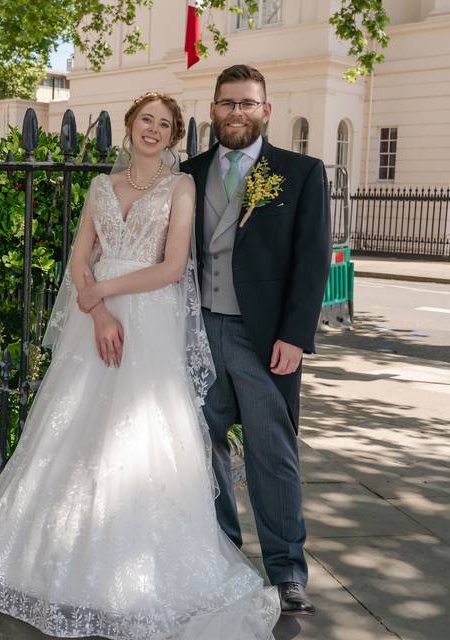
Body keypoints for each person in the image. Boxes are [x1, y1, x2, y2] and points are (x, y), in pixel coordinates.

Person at [0, 91, 280, 639]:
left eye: (164, 124)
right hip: (96, 322)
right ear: (129, 126)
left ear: (174, 136)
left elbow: (173, 267)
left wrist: (105, 289)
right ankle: (45, 563)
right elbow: (80, 257)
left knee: (139, 434)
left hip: (150, 320)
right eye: (145, 120)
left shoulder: (182, 187)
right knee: (73, 430)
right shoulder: (101, 187)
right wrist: (99, 309)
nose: (153, 130)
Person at [180, 64, 331, 617]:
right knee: (204, 448)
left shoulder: (300, 172)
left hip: (265, 338)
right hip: (198, 329)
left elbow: (312, 263)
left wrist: (296, 336)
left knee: (273, 454)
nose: (236, 112)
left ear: (266, 110)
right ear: (213, 110)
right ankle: (220, 553)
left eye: (247, 103)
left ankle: (288, 570)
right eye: (227, 103)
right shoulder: (188, 173)